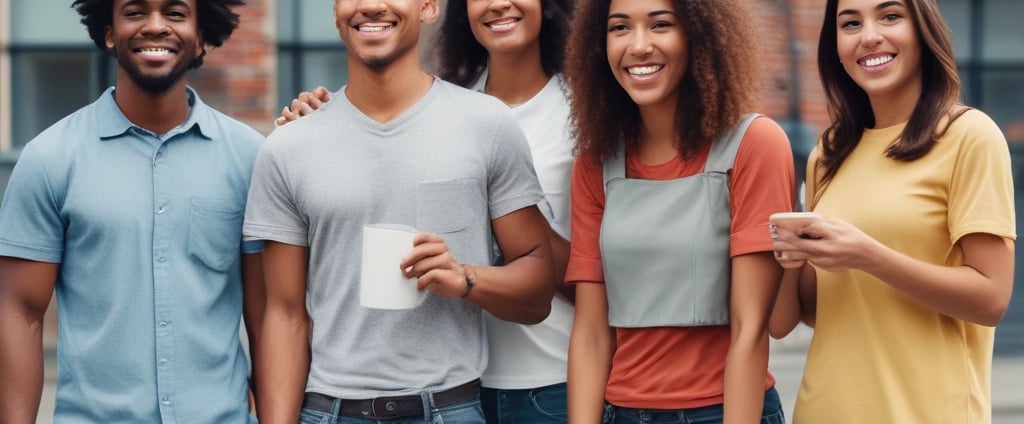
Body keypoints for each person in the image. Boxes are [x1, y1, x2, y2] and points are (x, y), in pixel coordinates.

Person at [243, 0, 556, 422]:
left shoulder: (487, 125)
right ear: (335, 13)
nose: (371, 6)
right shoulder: (287, 148)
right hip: (328, 411)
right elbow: (284, 315)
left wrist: (466, 278)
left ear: (427, 7)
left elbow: (538, 289)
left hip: (450, 407)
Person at [0, 0, 264, 422]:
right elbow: (20, 313)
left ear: (200, 39)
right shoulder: (50, 158)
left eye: (176, 14)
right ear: (109, 32)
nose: (155, 26)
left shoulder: (251, 159)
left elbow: (268, 317)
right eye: (135, 12)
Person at [768, 0, 1015, 422]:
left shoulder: (969, 136)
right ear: (837, 47)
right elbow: (806, 313)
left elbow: (991, 299)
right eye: (850, 23)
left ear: (923, 30)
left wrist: (869, 256)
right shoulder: (828, 153)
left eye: (890, 16)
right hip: (824, 410)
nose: (869, 36)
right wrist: (792, 259)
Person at [563, 0, 795, 423]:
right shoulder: (595, 164)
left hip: (722, 410)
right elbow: (592, 335)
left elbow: (752, 330)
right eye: (620, 28)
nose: (638, 45)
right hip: (623, 412)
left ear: (700, 36)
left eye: (661, 25)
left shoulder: (754, 144)